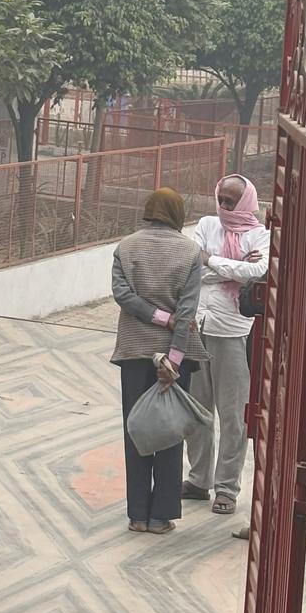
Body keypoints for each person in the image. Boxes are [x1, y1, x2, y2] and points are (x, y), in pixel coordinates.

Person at [110, 187, 204, 535]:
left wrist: (155, 316)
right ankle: (161, 515)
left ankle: (136, 514)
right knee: (169, 432)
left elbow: (122, 296)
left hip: (134, 351)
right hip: (175, 356)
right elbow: (188, 311)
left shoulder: (126, 247)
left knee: (136, 428)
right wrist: (175, 360)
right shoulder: (191, 252)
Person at [183, 174, 269, 516]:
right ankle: (198, 480)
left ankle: (226, 489)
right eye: (221, 198)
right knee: (196, 409)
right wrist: (233, 269)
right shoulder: (206, 224)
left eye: (231, 201)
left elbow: (258, 272)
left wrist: (211, 261)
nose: (224, 206)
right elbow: (192, 266)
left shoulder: (261, 234)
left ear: (246, 201)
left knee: (233, 415)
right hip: (198, 324)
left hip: (233, 331)